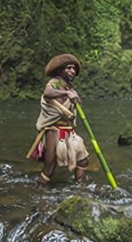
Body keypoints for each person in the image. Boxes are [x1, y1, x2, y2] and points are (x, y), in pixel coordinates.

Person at [27, 54, 89, 184]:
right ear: (60, 70)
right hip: (54, 130)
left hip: (69, 130)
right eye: (69, 68)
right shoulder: (54, 83)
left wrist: (73, 96)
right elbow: (47, 93)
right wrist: (67, 94)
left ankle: (81, 189)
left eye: (74, 69)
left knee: (83, 160)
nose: (73, 71)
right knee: (50, 166)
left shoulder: (69, 87)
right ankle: (39, 193)